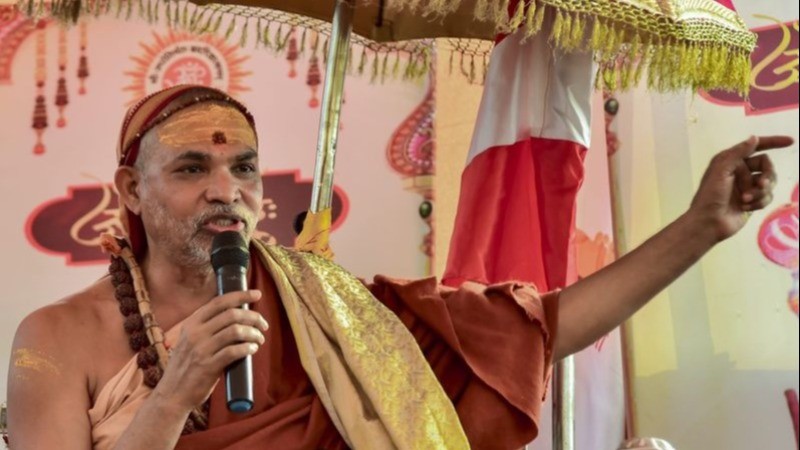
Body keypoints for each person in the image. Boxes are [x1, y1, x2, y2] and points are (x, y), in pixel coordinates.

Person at [6, 84, 792, 450]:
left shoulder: (323, 306)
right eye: (190, 170)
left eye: (244, 168)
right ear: (130, 191)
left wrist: (701, 227)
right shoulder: (57, 339)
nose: (226, 192)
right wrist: (173, 395)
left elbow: (535, 332)